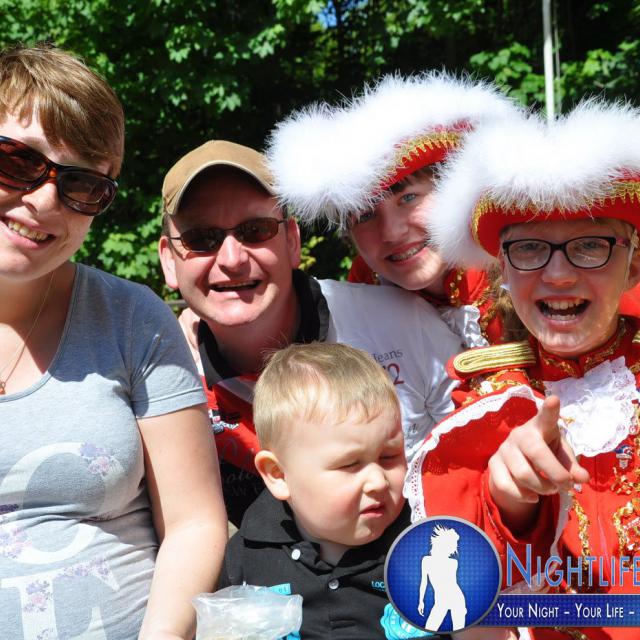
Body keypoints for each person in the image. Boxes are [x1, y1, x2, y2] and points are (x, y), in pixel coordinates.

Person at [0, 44, 227, 639]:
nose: (44, 201)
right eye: (16, 162)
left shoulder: (132, 318)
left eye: (81, 185)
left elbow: (194, 521)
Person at [407, 101, 640, 640]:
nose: (557, 274)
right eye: (530, 248)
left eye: (589, 245)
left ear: (632, 263)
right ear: (504, 273)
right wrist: (511, 498)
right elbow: (471, 601)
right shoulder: (485, 408)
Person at [158, 140, 463, 526]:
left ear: (292, 241)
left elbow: (474, 474)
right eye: (202, 239)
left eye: (255, 230)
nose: (232, 260)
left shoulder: (404, 323)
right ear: (169, 261)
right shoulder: (163, 381)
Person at [266, 72, 526, 346]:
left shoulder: (525, 269)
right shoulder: (365, 289)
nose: (391, 232)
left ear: (455, 192)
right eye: (365, 215)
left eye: (409, 198)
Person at [218, 342, 437, 639]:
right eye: (350, 464)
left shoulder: (429, 540)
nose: (378, 481)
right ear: (279, 476)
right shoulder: (246, 560)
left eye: (389, 456)